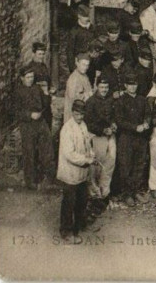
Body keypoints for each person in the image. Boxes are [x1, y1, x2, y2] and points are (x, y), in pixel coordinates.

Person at [57, 99, 96, 243]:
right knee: (69, 203)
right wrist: (86, 160)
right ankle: (66, 231)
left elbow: (87, 143)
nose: (80, 117)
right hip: (70, 173)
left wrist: (90, 153)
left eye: (82, 114)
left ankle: (79, 225)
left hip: (81, 173)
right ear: (73, 112)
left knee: (82, 200)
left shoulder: (83, 125)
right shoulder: (67, 129)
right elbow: (69, 154)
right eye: (78, 114)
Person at [14, 65, 55, 190]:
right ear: (22, 78)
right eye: (28, 77)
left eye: (32, 77)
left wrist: (48, 94)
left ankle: (50, 177)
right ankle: (30, 181)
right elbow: (15, 111)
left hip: (41, 123)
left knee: (48, 149)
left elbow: (45, 104)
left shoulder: (37, 88)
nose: (30, 79)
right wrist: (30, 115)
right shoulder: (18, 92)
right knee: (29, 152)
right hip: (27, 125)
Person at [115, 71, 151, 207]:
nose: (132, 87)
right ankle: (127, 194)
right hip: (126, 138)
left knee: (139, 165)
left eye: (134, 84)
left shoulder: (142, 100)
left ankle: (135, 191)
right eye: (130, 85)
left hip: (140, 139)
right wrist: (135, 127)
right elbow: (119, 121)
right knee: (126, 166)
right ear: (125, 86)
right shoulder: (121, 101)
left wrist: (147, 123)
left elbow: (148, 114)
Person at [84, 76, 117, 215]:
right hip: (98, 137)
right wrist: (102, 130)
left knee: (110, 164)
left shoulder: (110, 99)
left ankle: (105, 193)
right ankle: (94, 196)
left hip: (111, 136)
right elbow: (88, 123)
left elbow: (114, 115)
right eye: (102, 87)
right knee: (96, 166)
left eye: (106, 88)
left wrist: (114, 124)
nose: (104, 90)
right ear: (97, 87)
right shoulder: (91, 102)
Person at [28, 42, 54, 129]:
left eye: (43, 54)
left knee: (48, 125)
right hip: (37, 104)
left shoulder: (43, 66)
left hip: (45, 103)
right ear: (33, 54)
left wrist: (50, 89)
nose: (41, 56)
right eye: (39, 54)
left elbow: (48, 80)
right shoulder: (30, 69)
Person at [66, 4, 96, 73]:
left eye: (87, 16)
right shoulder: (74, 31)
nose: (87, 19)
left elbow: (95, 42)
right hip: (80, 63)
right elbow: (69, 51)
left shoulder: (92, 28)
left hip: (91, 63)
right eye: (84, 16)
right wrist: (72, 68)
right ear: (79, 16)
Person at [64, 53, 93, 123]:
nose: (85, 67)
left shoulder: (84, 75)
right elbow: (73, 98)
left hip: (82, 112)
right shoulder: (73, 79)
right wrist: (87, 95)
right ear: (77, 62)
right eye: (83, 64)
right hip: (74, 115)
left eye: (87, 65)